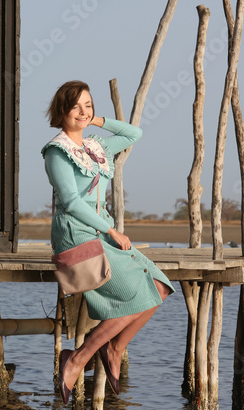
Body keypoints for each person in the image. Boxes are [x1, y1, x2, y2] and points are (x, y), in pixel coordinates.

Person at [41, 80, 175, 404]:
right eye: (76, 107)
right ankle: (77, 359)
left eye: (88, 105)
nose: (83, 112)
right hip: (76, 234)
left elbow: (132, 134)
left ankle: (113, 347)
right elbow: (72, 203)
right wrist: (112, 230)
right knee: (138, 291)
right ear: (62, 111)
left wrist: (96, 120)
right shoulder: (57, 152)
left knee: (160, 286)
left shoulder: (96, 147)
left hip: (102, 232)